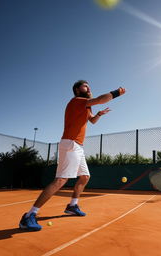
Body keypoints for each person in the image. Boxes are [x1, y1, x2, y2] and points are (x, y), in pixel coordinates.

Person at [19, 80, 126, 231]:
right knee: (60, 180)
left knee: (84, 177)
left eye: (89, 85)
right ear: (77, 90)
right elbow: (101, 99)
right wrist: (117, 92)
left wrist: (100, 114)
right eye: (85, 85)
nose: (88, 87)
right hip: (70, 144)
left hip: (78, 147)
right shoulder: (77, 101)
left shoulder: (86, 107)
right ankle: (29, 215)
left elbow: (92, 121)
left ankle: (72, 205)